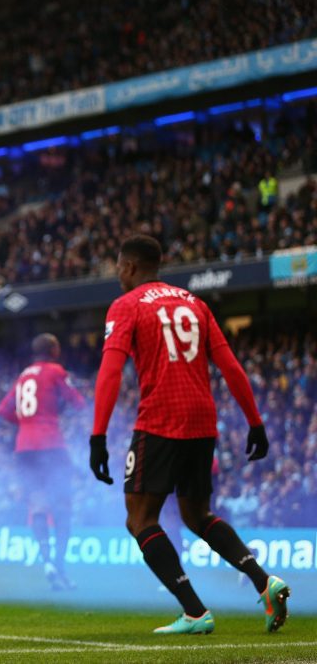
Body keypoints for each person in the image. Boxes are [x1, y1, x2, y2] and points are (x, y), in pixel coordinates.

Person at [89, 234, 290, 635]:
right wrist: (255, 422)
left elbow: (111, 371)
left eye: (118, 267)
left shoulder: (125, 306)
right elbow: (230, 365)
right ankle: (264, 581)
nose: (117, 275)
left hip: (160, 418)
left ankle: (195, 612)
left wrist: (98, 435)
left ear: (129, 267)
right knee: (196, 514)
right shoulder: (195, 303)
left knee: (139, 518)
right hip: (202, 419)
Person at [0, 333, 85, 590]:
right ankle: (59, 565)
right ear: (54, 350)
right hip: (50, 444)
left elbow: (3, 410)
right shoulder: (55, 370)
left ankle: (46, 561)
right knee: (63, 505)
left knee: (37, 502)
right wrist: (54, 415)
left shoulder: (24, 375)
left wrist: (25, 422)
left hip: (24, 448)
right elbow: (78, 402)